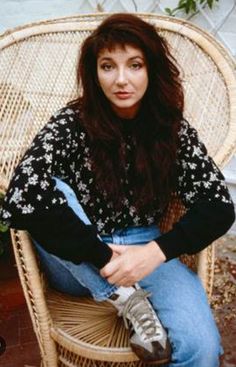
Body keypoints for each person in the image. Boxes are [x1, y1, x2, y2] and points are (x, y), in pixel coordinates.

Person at [0, 12, 235, 366]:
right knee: (46, 187)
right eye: (108, 66)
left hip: (146, 250)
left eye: (135, 65)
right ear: (94, 74)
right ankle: (125, 296)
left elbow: (218, 206)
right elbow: (22, 191)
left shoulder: (170, 129)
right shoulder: (72, 122)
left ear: (151, 70)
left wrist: (154, 252)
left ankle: (132, 292)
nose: (121, 79)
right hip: (77, 259)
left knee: (200, 346)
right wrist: (105, 258)